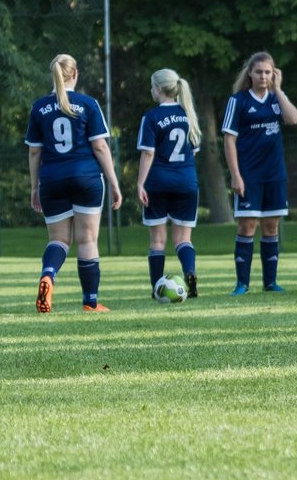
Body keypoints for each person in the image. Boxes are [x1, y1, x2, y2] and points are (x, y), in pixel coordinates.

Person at [26, 53, 124, 312]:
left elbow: (34, 152)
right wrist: (114, 183)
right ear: (76, 73)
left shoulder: (39, 107)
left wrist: (34, 187)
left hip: (52, 179)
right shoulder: (88, 103)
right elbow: (100, 147)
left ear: (53, 74)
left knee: (58, 240)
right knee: (87, 239)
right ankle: (90, 302)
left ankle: (48, 275)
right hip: (86, 178)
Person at [222, 51, 297, 295]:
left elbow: (293, 119)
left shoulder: (276, 99)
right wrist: (235, 175)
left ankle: (270, 282)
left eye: (268, 72)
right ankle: (242, 284)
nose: (263, 76)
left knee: (270, 228)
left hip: (274, 174)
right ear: (250, 73)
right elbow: (229, 140)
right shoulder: (238, 101)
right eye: (259, 72)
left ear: (274, 73)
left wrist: (279, 90)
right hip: (249, 175)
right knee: (247, 226)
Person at [136, 68, 202, 298]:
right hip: (186, 181)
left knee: (157, 240)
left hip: (158, 181)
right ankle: (190, 272)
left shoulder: (152, 117)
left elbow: (147, 154)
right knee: (183, 239)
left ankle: (157, 289)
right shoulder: (188, 115)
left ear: (158, 89)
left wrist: (140, 184)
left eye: (152, 86)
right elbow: (192, 152)